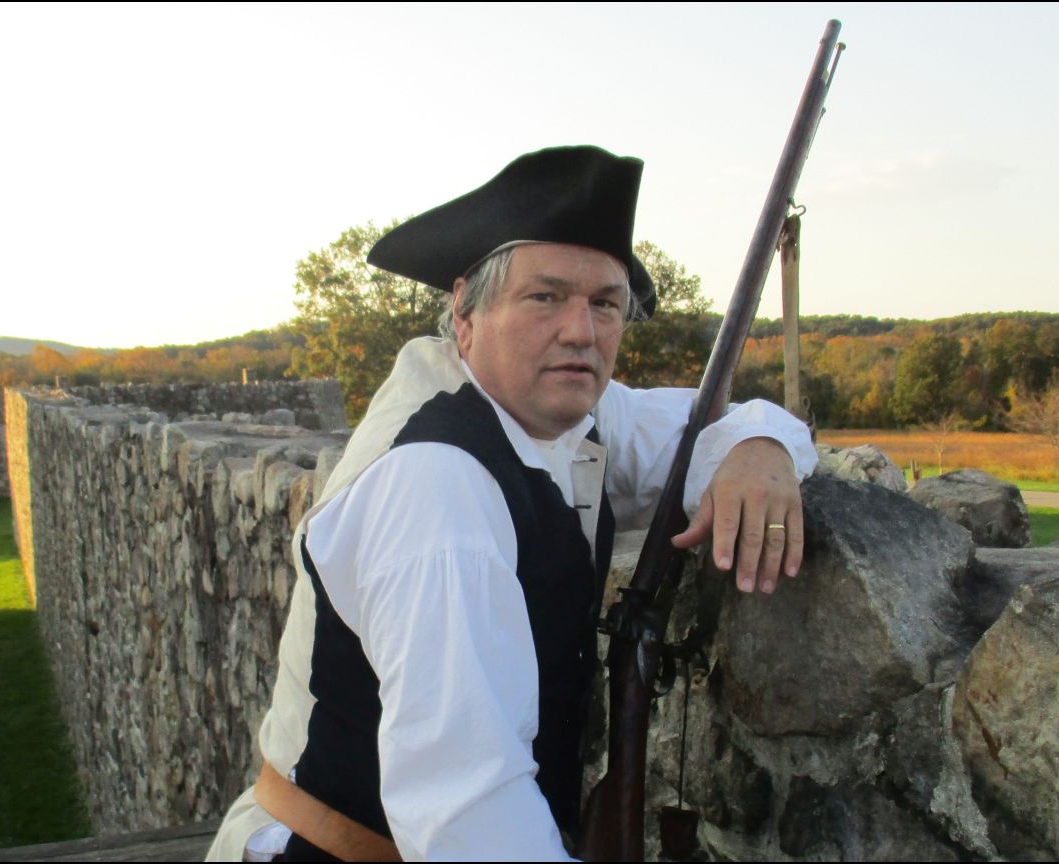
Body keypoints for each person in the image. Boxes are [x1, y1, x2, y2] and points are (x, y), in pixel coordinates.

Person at [207, 145, 818, 861]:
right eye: (545, 297)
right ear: (465, 312)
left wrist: (760, 451)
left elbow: (707, 424)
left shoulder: (549, 411)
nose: (581, 332)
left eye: (605, 305)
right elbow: (467, 812)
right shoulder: (436, 486)